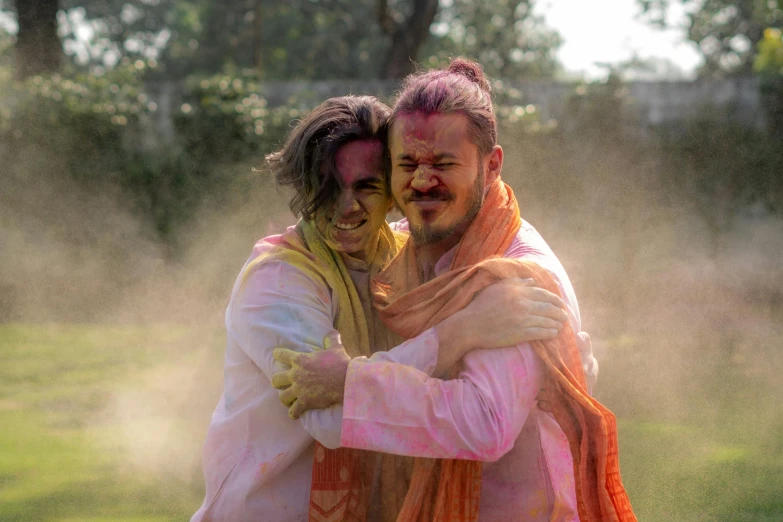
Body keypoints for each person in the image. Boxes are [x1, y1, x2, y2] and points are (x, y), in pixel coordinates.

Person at [272, 59, 634, 522]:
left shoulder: (515, 277)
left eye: (443, 164)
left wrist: (350, 383)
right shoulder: (411, 246)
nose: (423, 181)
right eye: (407, 164)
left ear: (492, 164)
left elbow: (483, 422)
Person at [189, 95, 573, 522]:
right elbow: (332, 418)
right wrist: (462, 331)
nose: (345, 205)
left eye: (366, 186)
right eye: (327, 185)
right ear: (302, 186)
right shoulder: (277, 281)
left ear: (391, 191)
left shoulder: (406, 255)